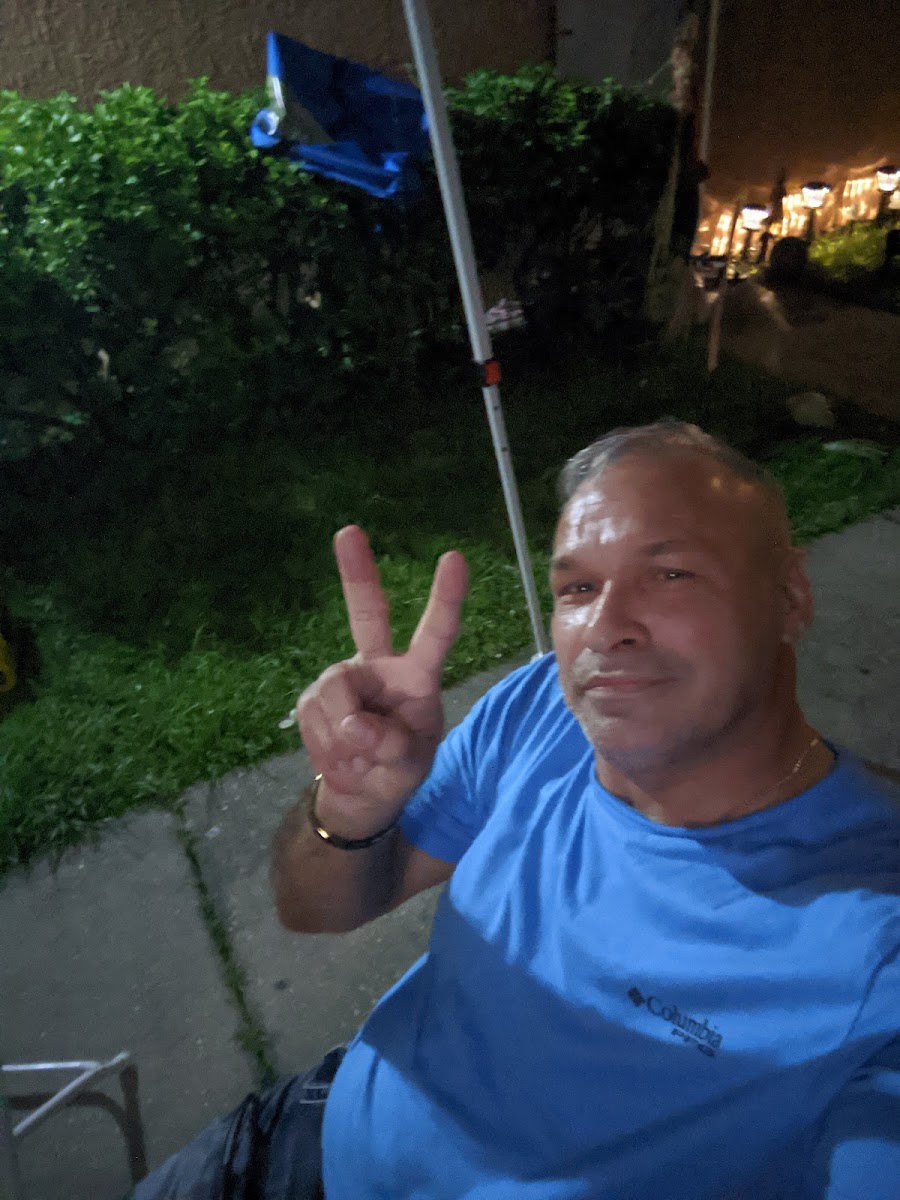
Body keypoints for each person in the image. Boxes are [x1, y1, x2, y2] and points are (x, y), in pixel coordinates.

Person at [136, 421, 898, 1200]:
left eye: (670, 574)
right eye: (578, 589)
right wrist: (351, 808)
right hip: (312, 1134)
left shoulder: (873, 935)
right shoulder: (542, 710)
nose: (605, 628)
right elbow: (315, 910)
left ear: (789, 596)